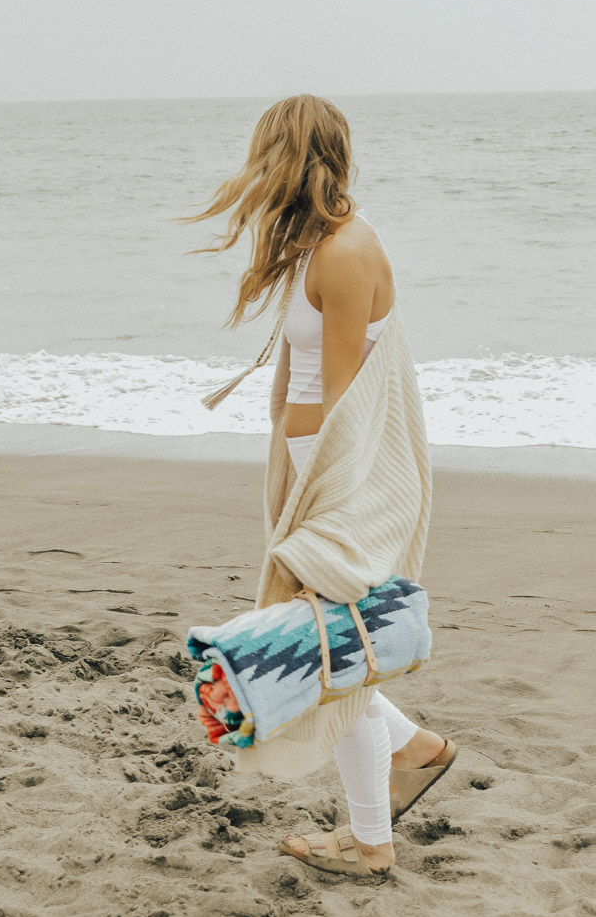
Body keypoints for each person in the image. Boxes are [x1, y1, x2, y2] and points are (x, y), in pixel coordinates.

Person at [188, 93, 455, 877]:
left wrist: (326, 506)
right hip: (304, 467)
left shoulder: (342, 253)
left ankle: (377, 831)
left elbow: (349, 400)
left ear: (296, 157)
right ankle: (408, 765)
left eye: (266, 157)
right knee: (333, 646)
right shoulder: (320, 244)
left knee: (332, 657)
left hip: (332, 478)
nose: (255, 174)